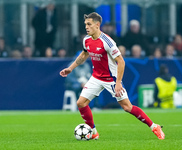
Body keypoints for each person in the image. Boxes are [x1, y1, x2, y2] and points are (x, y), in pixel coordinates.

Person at [60, 12, 165, 140]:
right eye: (85, 24)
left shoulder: (107, 42)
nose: (86, 27)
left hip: (112, 79)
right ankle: (93, 132)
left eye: (89, 24)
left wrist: (118, 83)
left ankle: (154, 126)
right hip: (96, 77)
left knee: (127, 107)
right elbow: (84, 55)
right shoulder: (86, 40)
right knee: (81, 103)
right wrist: (70, 68)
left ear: (97, 25)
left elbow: (121, 61)